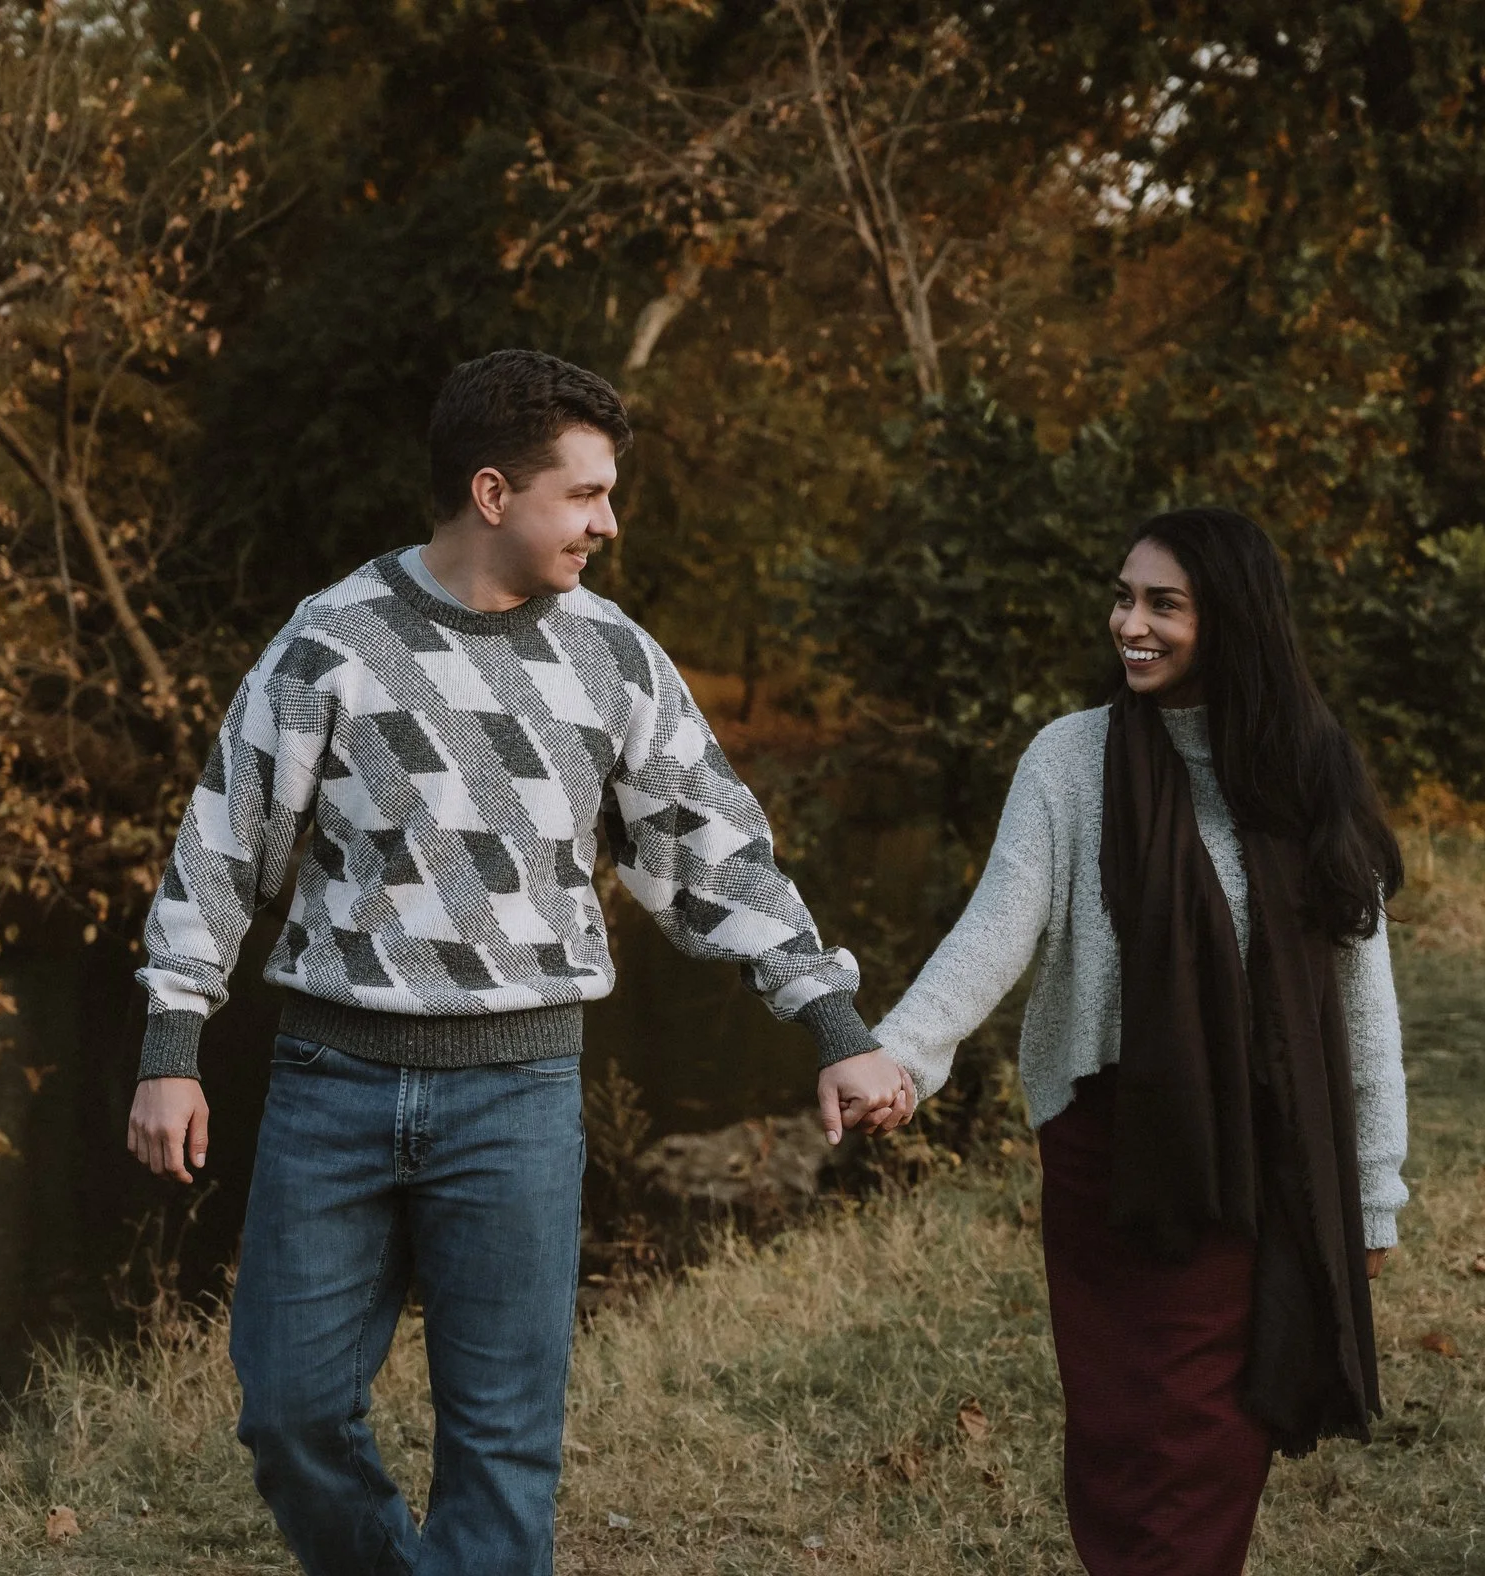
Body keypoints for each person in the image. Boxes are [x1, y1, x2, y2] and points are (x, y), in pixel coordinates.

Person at [125, 349, 914, 1574]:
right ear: (493, 494)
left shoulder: (614, 659)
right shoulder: (331, 642)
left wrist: (835, 1023)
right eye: (585, 494)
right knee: (287, 1415)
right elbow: (225, 843)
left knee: (499, 1448)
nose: (608, 521)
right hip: (330, 1082)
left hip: (520, 1098)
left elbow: (715, 858)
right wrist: (171, 1043)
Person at [874, 506, 1410, 1576]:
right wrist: (901, 1050)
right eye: (1124, 596)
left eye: (1164, 603)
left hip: (1266, 1149)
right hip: (1115, 1149)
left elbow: (1361, 995)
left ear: (1234, 619)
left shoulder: (1307, 768)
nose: (1131, 622)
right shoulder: (1069, 763)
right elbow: (997, 925)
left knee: (1210, 1436)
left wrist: (1378, 1187)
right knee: (1125, 1433)